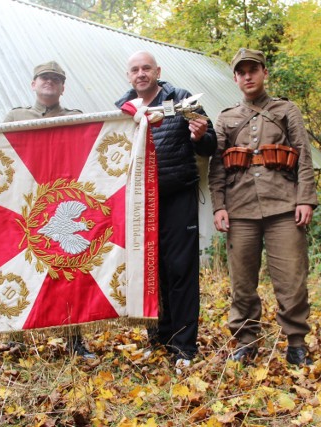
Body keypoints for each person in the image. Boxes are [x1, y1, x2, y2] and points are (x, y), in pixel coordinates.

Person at [208, 48, 317, 366]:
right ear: (235, 79)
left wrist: (305, 198)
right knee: (242, 282)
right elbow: (217, 167)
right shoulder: (226, 118)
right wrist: (219, 206)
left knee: (292, 280)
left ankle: (296, 342)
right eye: (241, 72)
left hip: (284, 206)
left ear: (264, 73)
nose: (248, 76)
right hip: (240, 209)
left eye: (253, 69)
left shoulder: (286, 110)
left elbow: (303, 155)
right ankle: (246, 340)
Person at [115, 51, 216, 370]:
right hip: (139, 203)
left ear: (158, 71)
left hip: (177, 196)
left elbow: (210, 143)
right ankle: (159, 340)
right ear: (128, 76)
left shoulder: (183, 99)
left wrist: (200, 136)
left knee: (180, 270)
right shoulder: (122, 109)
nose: (141, 73)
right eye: (135, 69)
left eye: (146, 68)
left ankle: (184, 347)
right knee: (149, 272)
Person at [4, 61, 96, 360]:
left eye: (56, 79)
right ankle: (17, 337)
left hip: (60, 199)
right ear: (33, 83)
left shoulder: (75, 118)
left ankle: (74, 339)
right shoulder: (15, 116)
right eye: (44, 78)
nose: (50, 83)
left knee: (69, 270)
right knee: (23, 268)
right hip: (26, 204)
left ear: (63, 87)